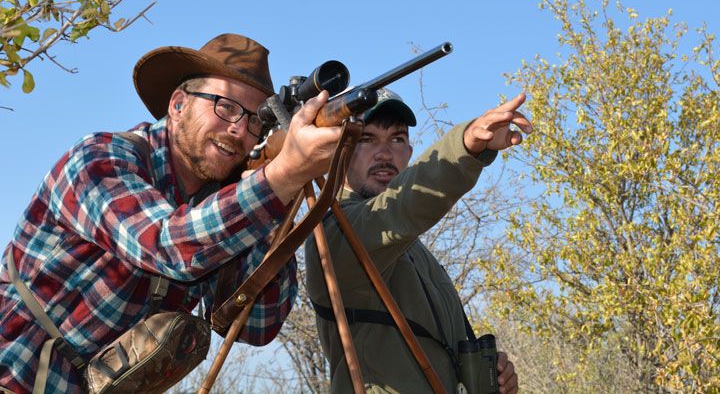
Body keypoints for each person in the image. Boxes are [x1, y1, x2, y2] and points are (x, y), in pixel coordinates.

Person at [0, 34, 341, 393]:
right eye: (225, 106)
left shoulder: (226, 207)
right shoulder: (99, 159)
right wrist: (280, 178)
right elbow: (167, 245)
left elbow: (256, 325)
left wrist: (277, 205)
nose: (239, 129)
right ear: (178, 105)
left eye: (257, 120)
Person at [305, 88, 530, 393]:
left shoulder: (413, 248)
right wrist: (465, 147)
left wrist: (492, 376)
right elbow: (402, 206)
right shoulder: (332, 233)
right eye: (366, 139)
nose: (385, 154)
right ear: (337, 152)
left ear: (409, 154)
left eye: (397, 139)